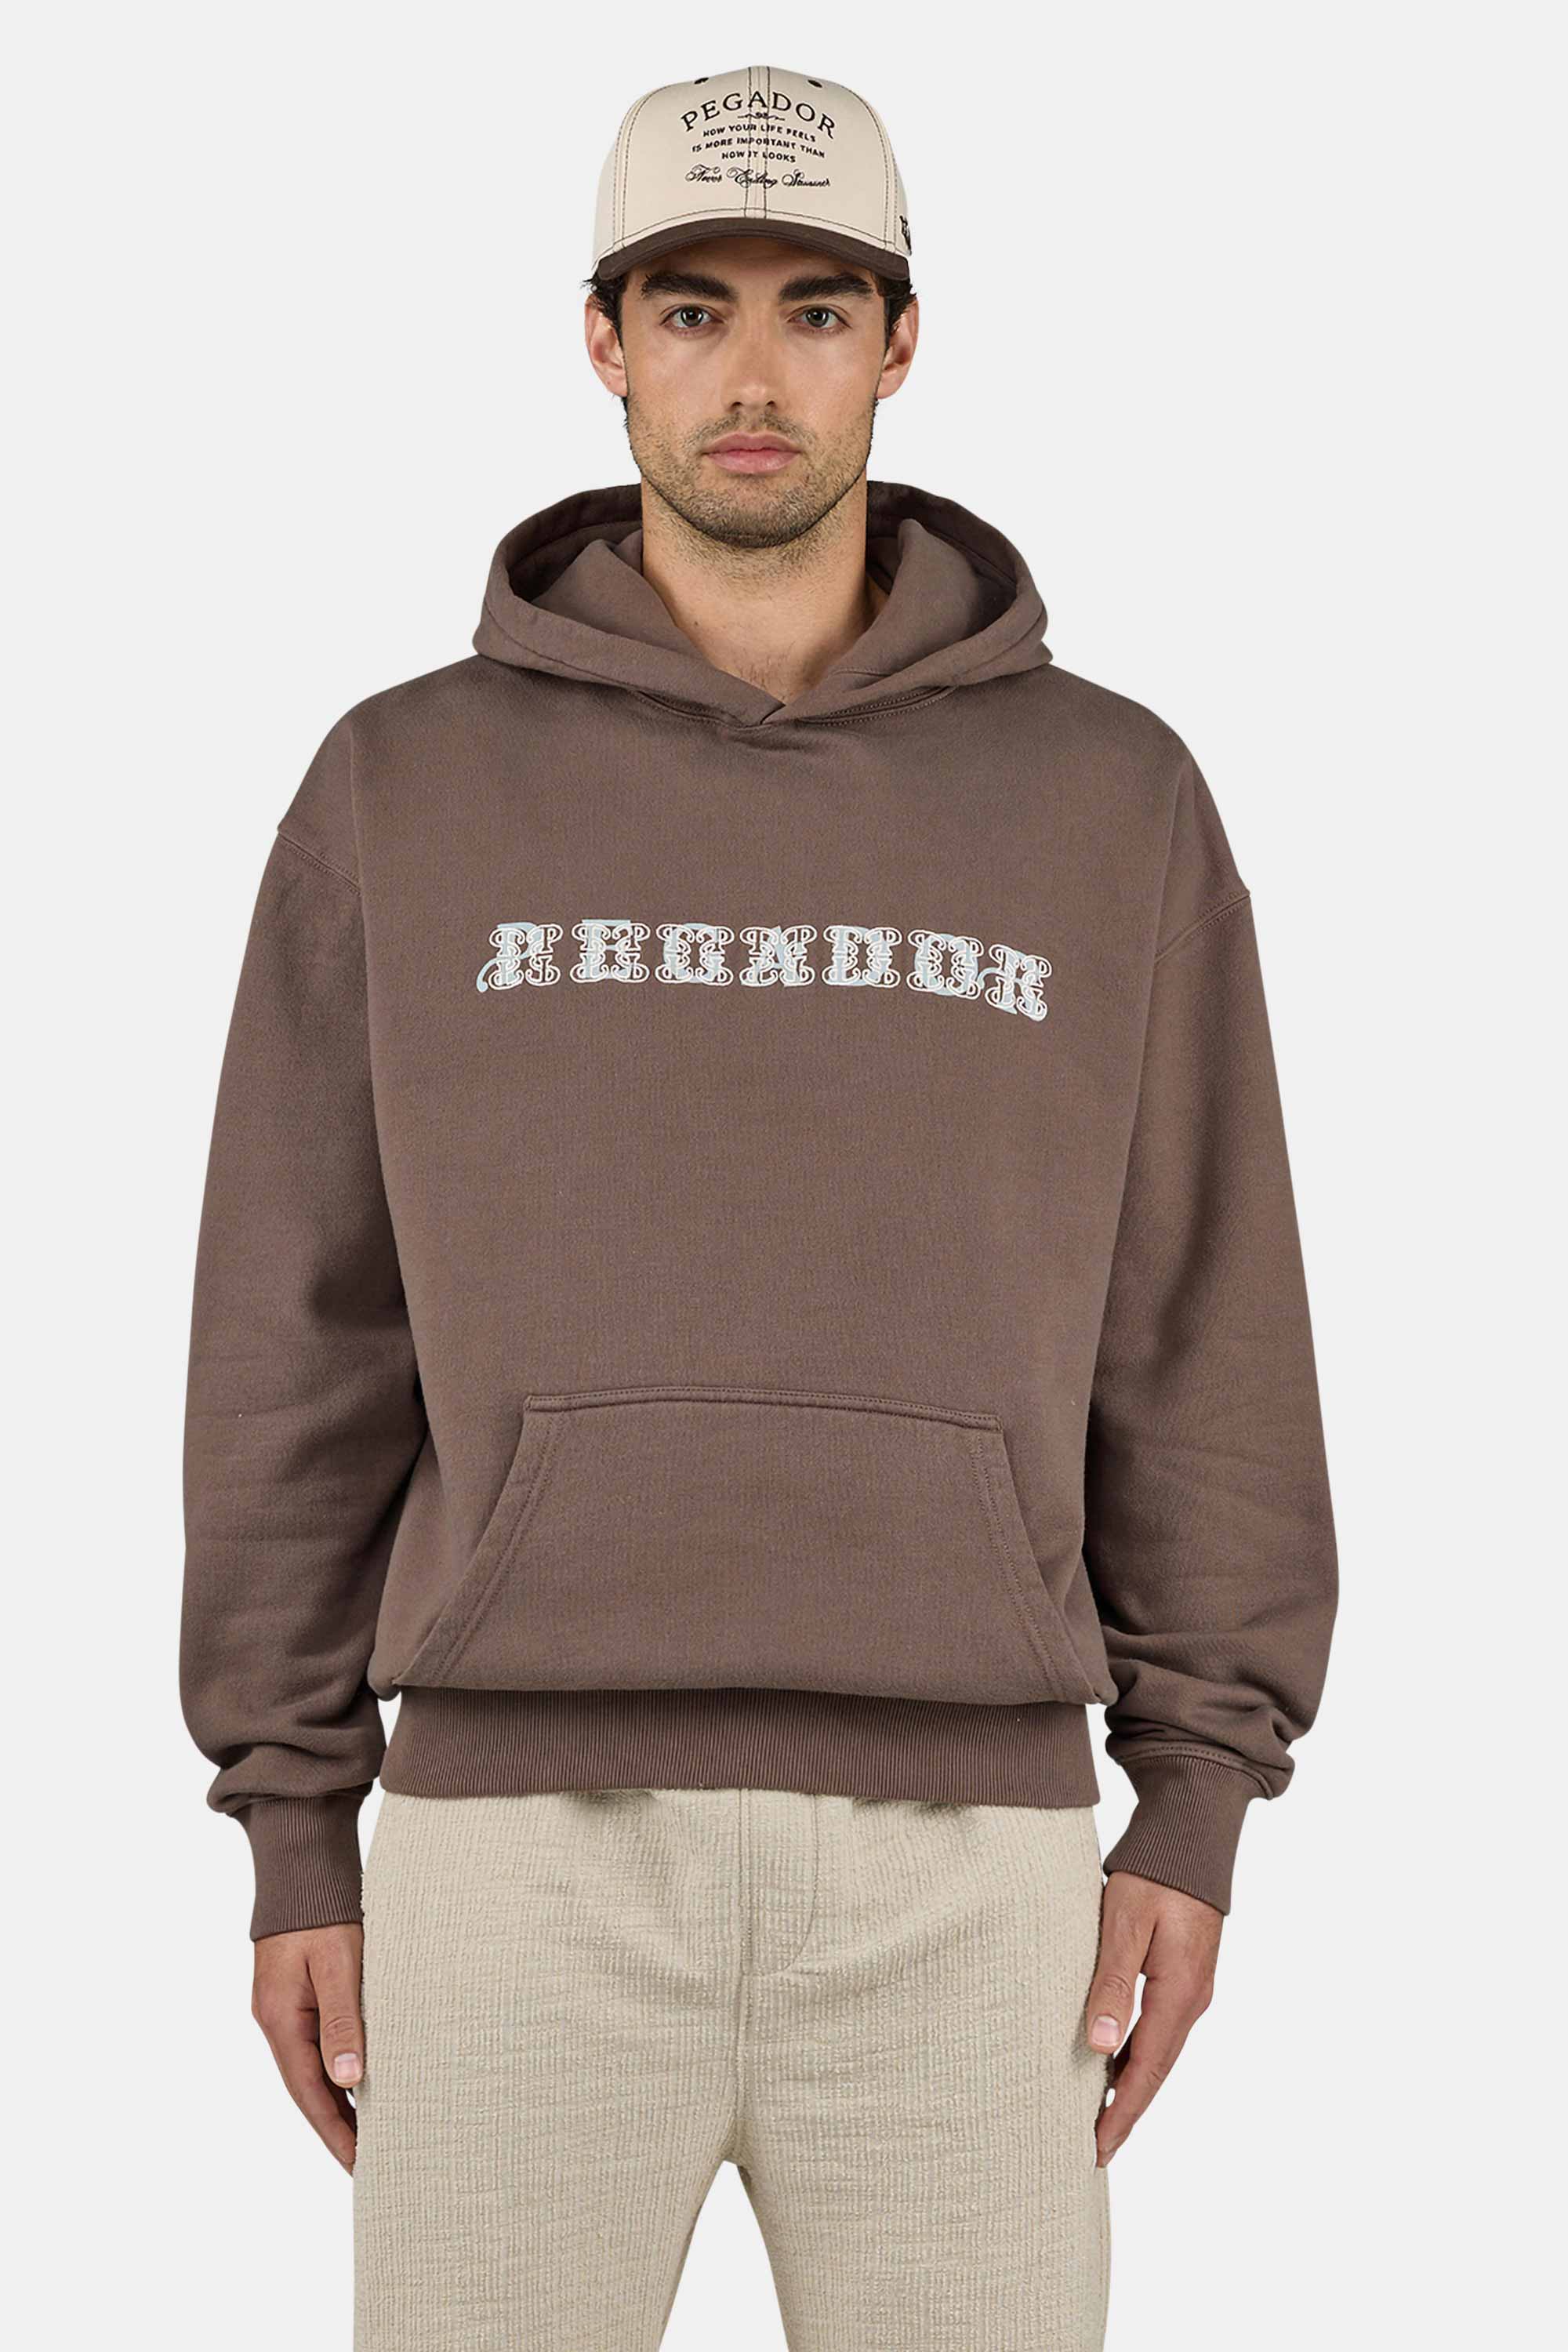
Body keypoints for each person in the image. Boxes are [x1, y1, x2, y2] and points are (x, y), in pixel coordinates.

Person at [180, 64, 1338, 2350]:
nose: (752, 373)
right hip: (512, 1855)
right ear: (600, 338)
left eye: (816, 309)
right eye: (691, 308)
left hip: (978, 1873)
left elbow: (1201, 1313)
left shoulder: (1109, 799)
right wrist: (294, 1820)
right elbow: (296, 1328)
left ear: (901, 343)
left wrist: (1196, 1800)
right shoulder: (405, 786)